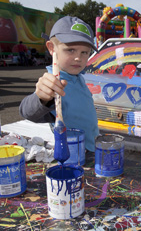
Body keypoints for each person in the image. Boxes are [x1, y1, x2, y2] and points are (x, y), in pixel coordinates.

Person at [19, 16, 99, 152]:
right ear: (51, 48)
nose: (78, 57)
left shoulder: (77, 76)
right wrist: (41, 97)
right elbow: (26, 112)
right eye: (70, 50)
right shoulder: (54, 81)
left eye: (84, 52)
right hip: (74, 153)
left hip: (92, 145)